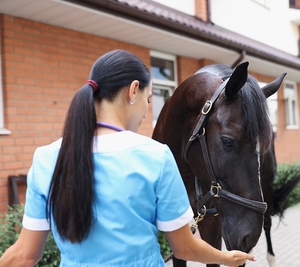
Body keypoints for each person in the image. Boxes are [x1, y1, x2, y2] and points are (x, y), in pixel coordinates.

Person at [0, 49, 255, 267]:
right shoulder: (155, 156)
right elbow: (185, 249)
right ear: (133, 91)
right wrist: (225, 257)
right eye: (148, 98)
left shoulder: (46, 159)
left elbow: (23, 256)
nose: (147, 110)